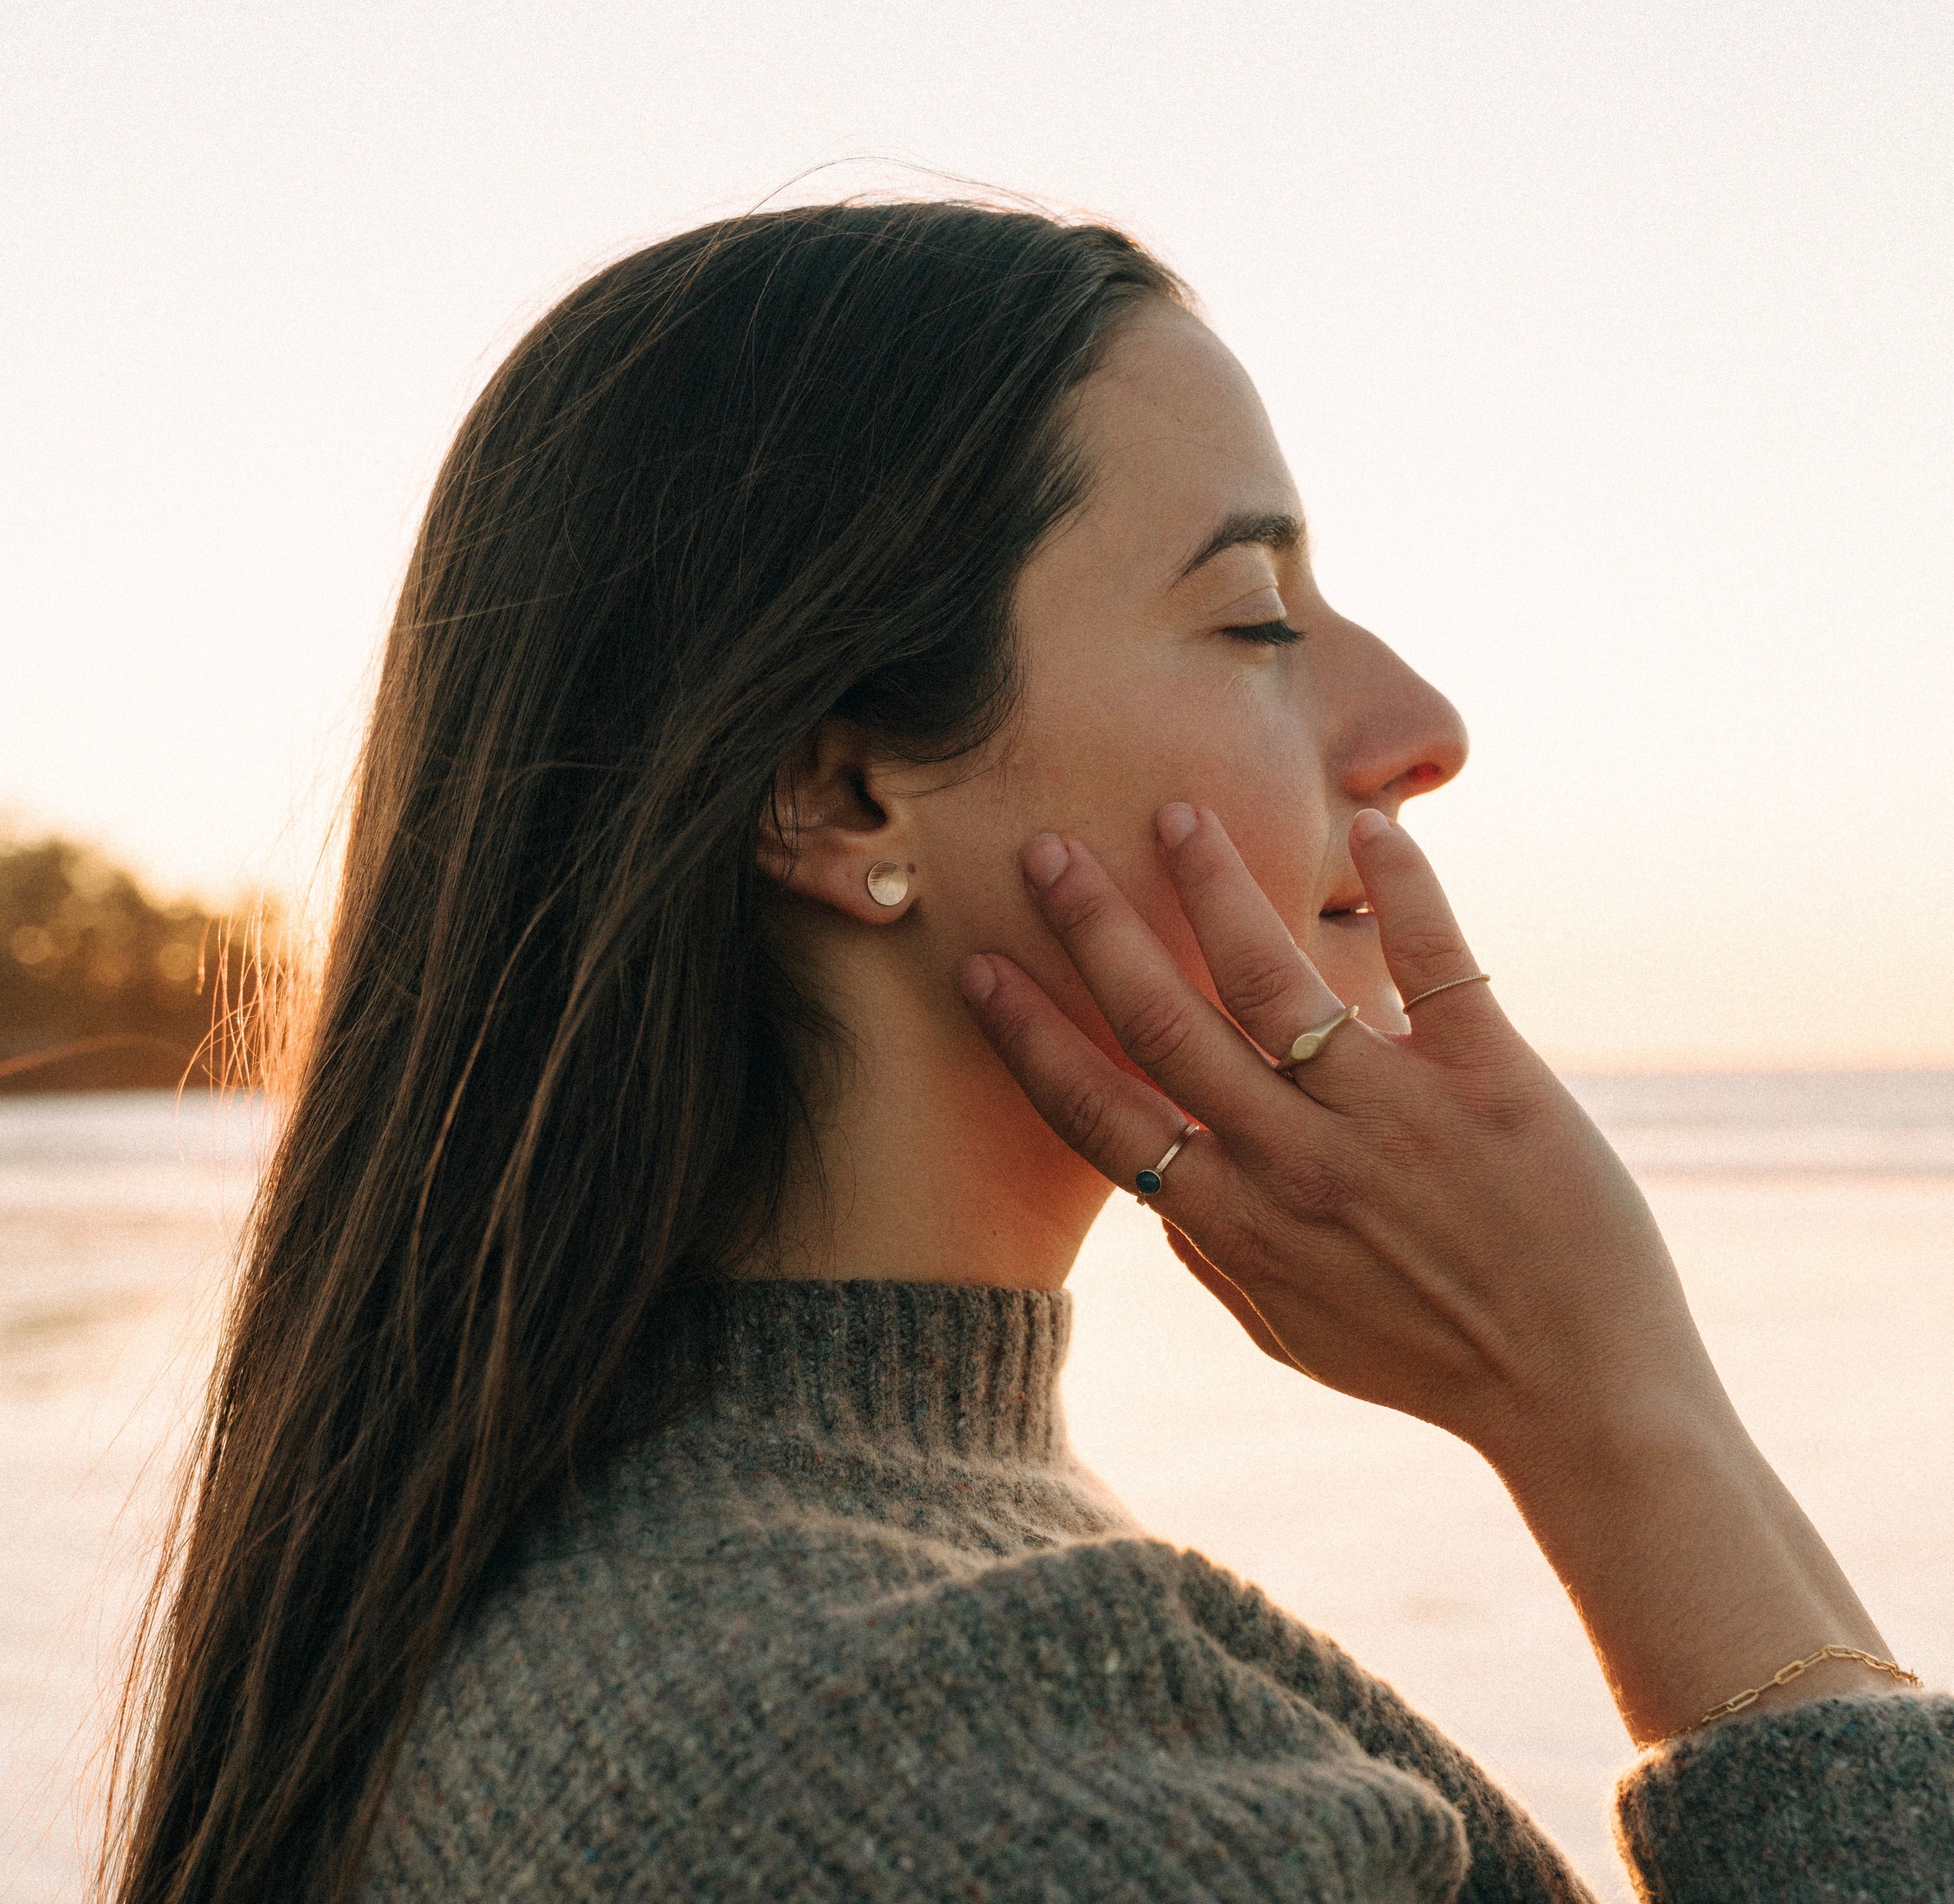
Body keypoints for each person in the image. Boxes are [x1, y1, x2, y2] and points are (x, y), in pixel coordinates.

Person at [106, 200, 1950, 1904]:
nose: (1418, 726)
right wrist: (1621, 1421)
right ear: (837, 792)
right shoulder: (912, 1751)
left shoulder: (805, 1577)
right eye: (1252, 618)